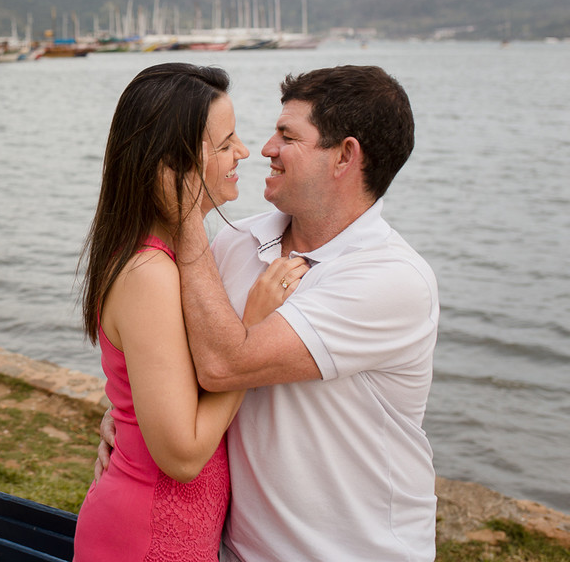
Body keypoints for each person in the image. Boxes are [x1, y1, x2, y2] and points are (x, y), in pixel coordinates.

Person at [97, 64, 440, 561]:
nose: (263, 149)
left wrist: (187, 212)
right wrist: (129, 413)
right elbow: (172, 357)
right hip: (235, 550)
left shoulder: (391, 280)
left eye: (287, 135)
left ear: (345, 156)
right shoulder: (235, 243)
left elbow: (225, 364)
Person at [73, 63, 308, 561]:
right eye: (225, 145)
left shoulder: (175, 257)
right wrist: (252, 334)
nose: (244, 151)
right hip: (149, 533)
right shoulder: (149, 273)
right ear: (172, 164)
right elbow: (182, 454)